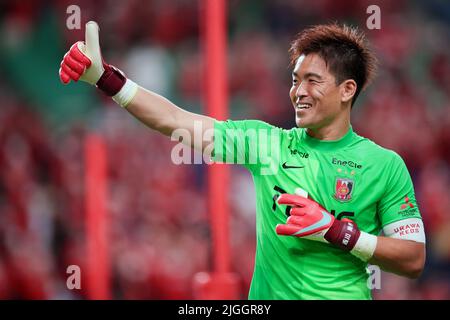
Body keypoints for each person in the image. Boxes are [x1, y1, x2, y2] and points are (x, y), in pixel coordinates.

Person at [59, 21, 426, 299]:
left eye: (312, 80)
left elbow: (413, 260)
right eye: (295, 80)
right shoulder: (267, 144)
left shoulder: (385, 165)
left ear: (348, 90)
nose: (298, 91)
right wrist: (108, 80)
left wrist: (337, 232)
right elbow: (175, 121)